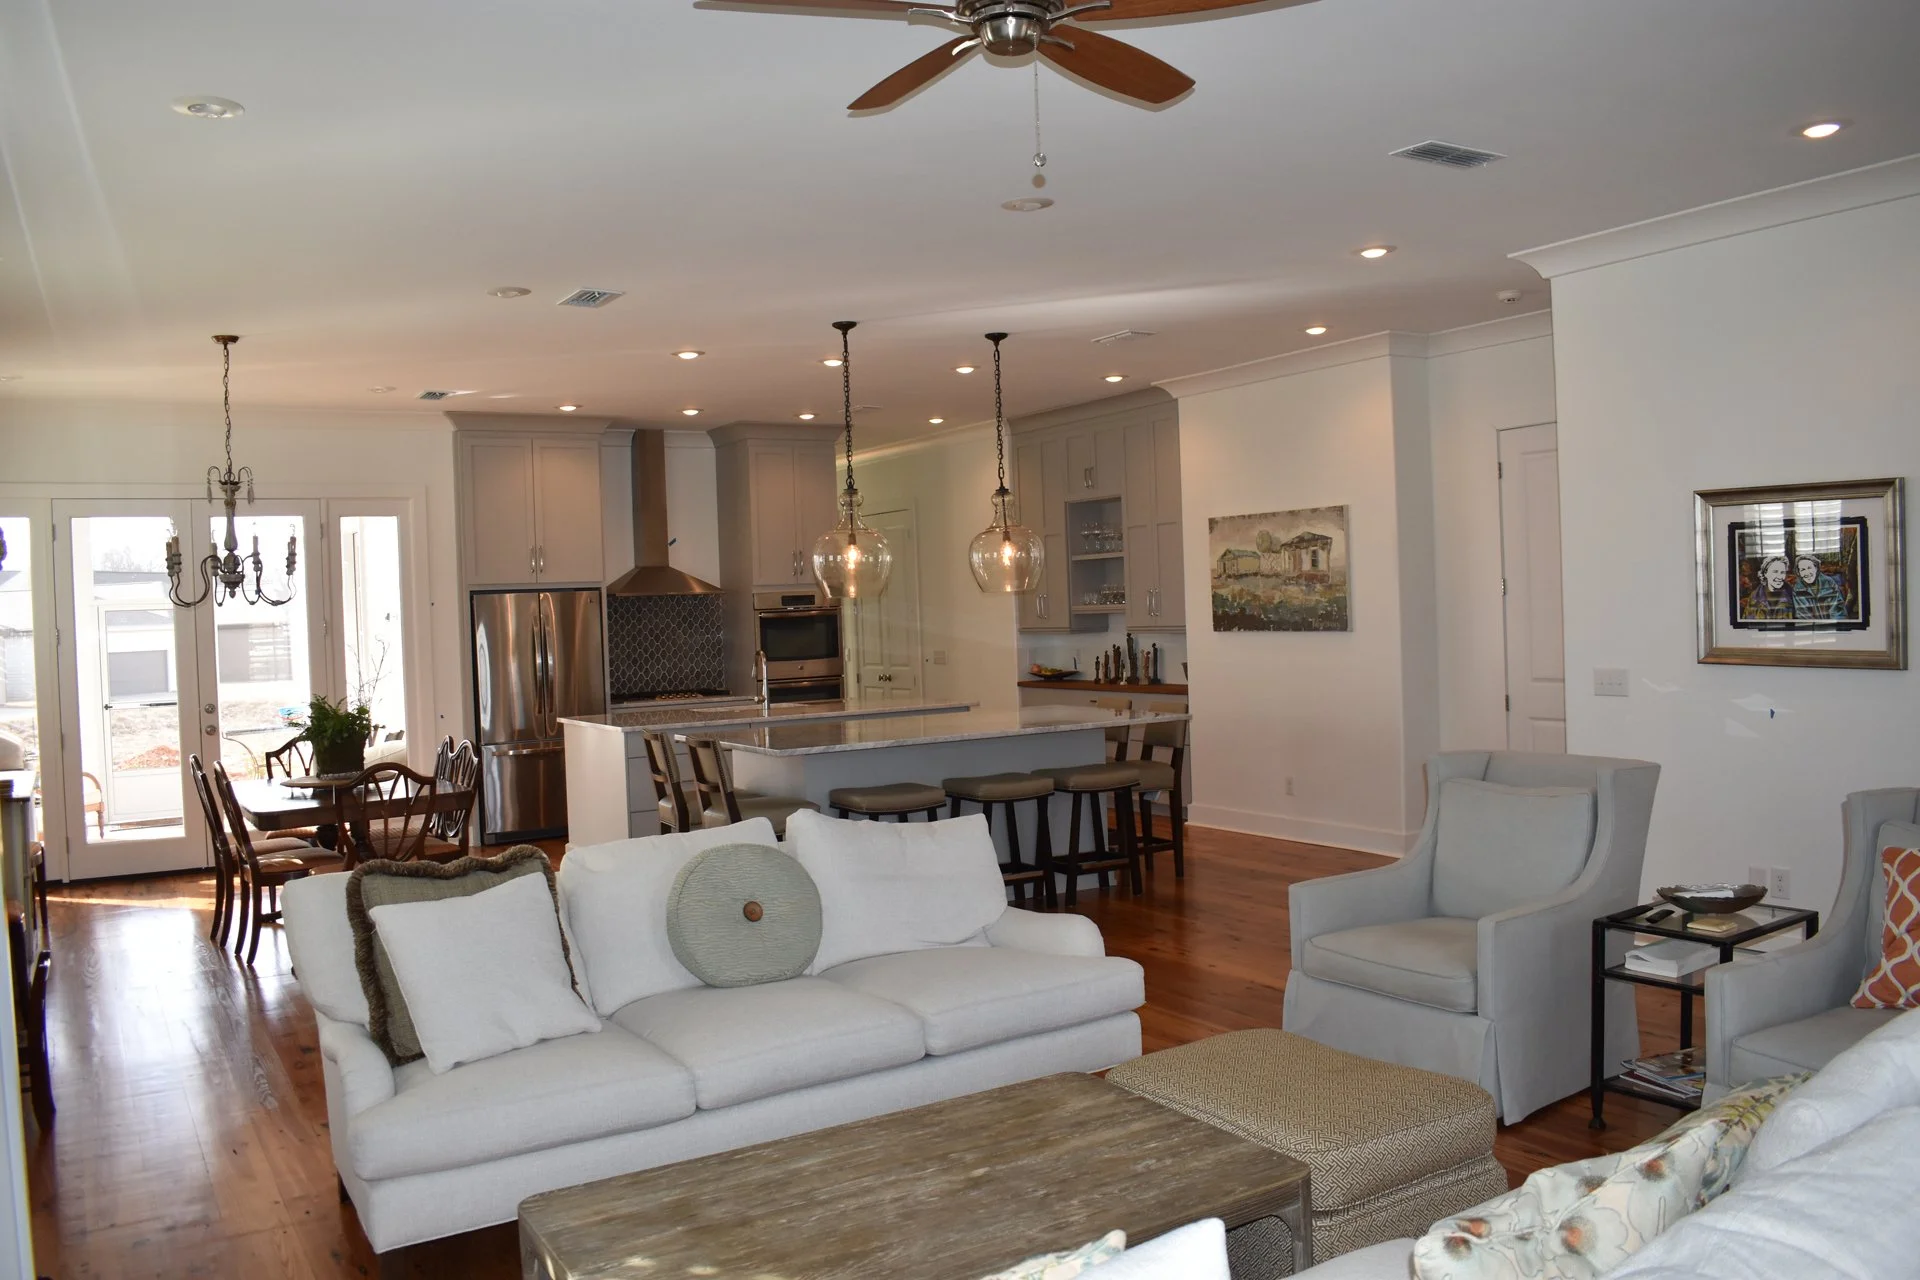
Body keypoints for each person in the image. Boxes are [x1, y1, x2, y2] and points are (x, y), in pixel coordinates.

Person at [1791, 552, 1849, 621]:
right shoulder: (1798, 589)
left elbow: (1838, 612)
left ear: (1816, 568)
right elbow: (1803, 615)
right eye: (1803, 570)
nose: (1807, 573)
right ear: (1799, 572)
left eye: (1809, 568)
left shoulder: (1829, 583)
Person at [1744, 555, 1794, 621]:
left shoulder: (1793, 596)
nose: (1779, 577)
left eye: (1782, 572)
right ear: (1765, 573)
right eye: (1775, 572)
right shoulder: (1754, 597)